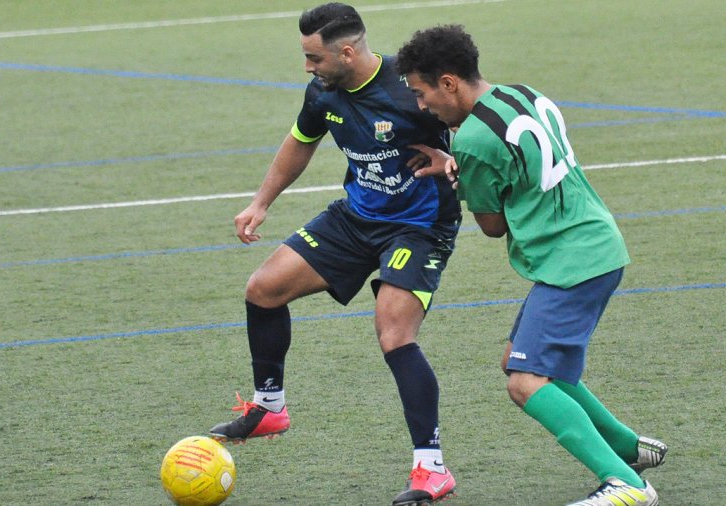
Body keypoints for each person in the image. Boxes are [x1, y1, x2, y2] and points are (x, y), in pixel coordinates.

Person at [397, 25, 667, 506]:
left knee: (525, 383)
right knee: (521, 362)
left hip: (572, 260)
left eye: (422, 93)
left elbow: (493, 225)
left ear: (450, 82)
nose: (422, 107)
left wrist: (458, 171)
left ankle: (627, 485)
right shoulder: (522, 93)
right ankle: (628, 447)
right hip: (593, 242)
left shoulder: (473, 140)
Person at [209, 4, 460, 504]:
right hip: (356, 218)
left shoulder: (408, 90)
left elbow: (475, 116)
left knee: (393, 331)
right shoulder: (323, 91)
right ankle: (270, 406)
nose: (307, 68)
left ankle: (431, 469)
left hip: (418, 226)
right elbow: (301, 140)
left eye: (313, 57)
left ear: (347, 51)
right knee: (263, 290)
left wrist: (455, 160)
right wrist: (261, 203)